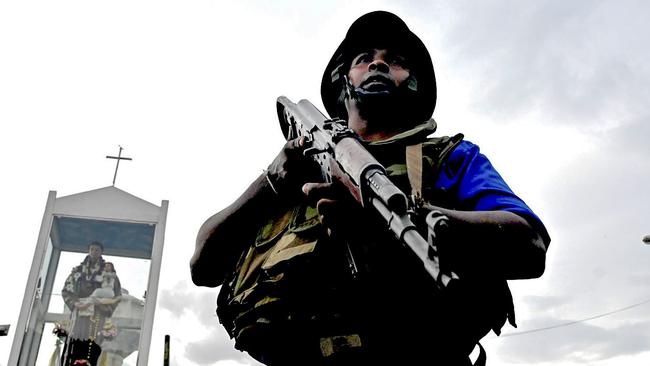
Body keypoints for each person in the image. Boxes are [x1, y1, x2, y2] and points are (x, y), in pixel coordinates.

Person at [191, 10, 550, 365]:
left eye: (394, 61)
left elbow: (529, 245)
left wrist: (399, 220)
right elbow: (203, 267)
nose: (378, 65)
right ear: (343, 80)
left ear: (413, 82)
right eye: (364, 59)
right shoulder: (299, 169)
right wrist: (270, 182)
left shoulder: (448, 158)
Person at [62, 242, 122, 365]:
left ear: (101, 252)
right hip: (80, 313)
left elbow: (117, 295)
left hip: (98, 313)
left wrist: (104, 306)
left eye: (97, 250)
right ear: (88, 250)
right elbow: (66, 290)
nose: (94, 252)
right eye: (92, 249)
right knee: (76, 343)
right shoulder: (78, 270)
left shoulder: (108, 272)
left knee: (94, 344)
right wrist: (75, 303)